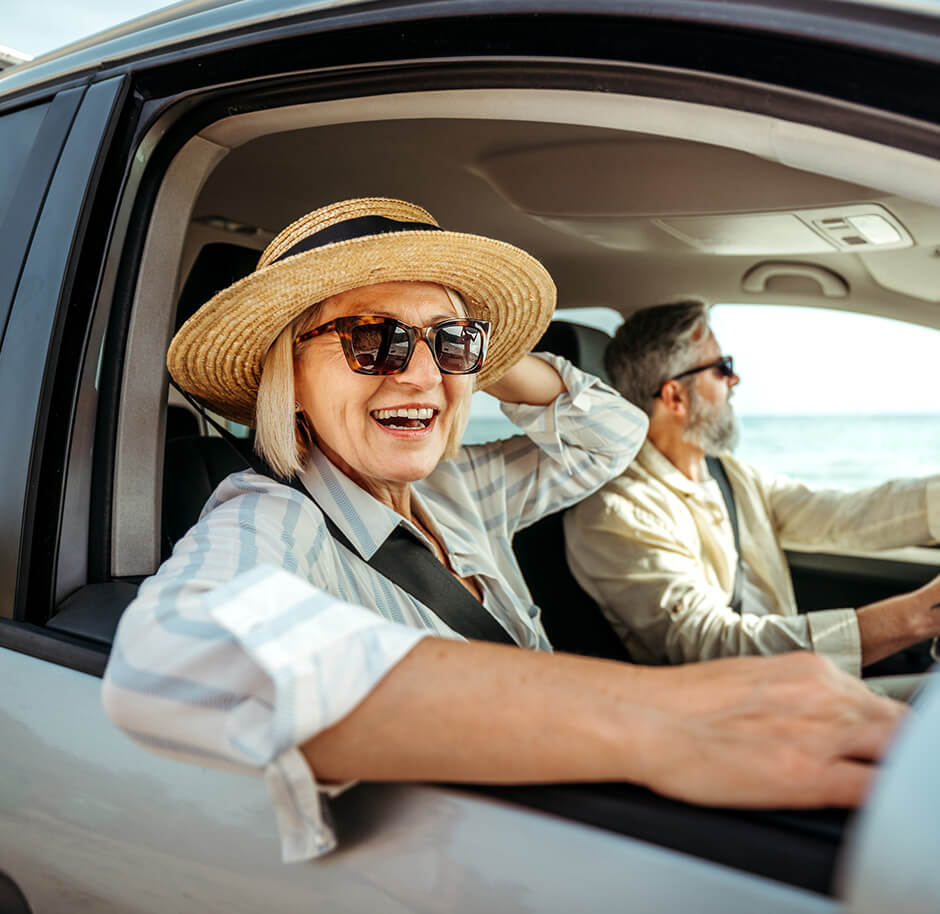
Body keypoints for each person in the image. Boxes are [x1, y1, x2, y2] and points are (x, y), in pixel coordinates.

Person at [102, 201, 904, 864]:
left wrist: (475, 358)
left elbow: (609, 435)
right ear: (291, 373)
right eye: (369, 338)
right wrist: (659, 718)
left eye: (447, 342)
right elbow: (169, 656)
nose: (416, 373)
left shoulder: (456, 486)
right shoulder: (268, 513)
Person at [565, 299, 940, 680]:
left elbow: (842, 516)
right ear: (675, 397)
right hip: (734, 712)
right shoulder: (614, 513)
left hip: (796, 684)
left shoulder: (729, 474)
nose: (734, 380)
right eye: (722, 368)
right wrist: (915, 617)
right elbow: (712, 645)